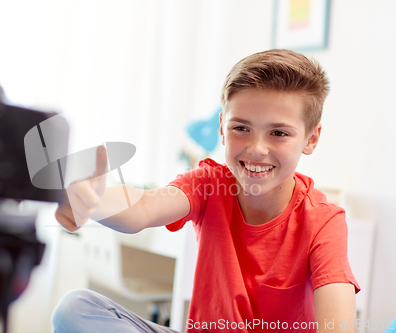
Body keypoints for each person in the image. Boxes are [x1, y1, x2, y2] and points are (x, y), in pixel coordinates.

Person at [52, 49, 360, 333]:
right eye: (241, 128)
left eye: (278, 133)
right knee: (75, 308)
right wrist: (92, 198)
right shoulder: (208, 184)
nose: (257, 149)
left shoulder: (323, 221)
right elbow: (144, 207)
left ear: (311, 139)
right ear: (222, 127)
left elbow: (339, 326)